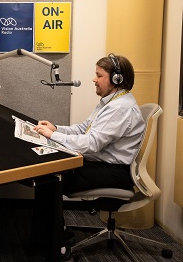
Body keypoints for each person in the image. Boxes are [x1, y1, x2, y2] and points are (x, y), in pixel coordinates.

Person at [34, 53, 146, 261]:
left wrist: (53, 136)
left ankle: (57, 243)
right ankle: (52, 235)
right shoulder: (110, 102)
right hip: (104, 164)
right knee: (49, 176)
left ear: (116, 79)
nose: (94, 79)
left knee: (51, 181)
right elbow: (85, 128)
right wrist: (57, 128)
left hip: (116, 172)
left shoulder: (120, 109)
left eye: (99, 75)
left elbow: (92, 144)